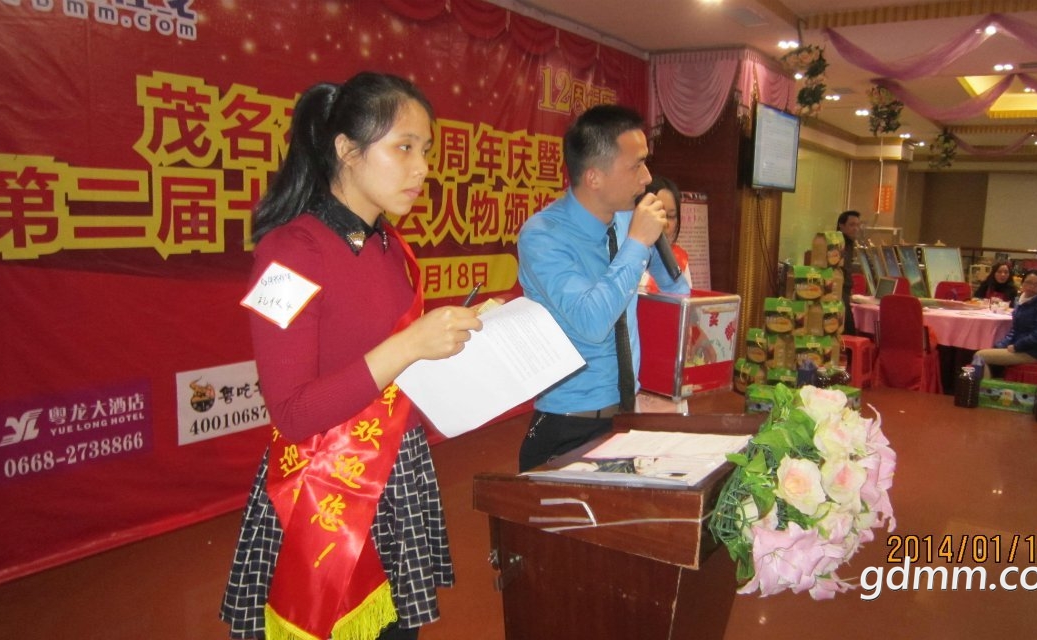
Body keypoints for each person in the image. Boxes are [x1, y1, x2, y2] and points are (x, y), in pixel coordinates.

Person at [221, 73, 482, 640]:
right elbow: (292, 413)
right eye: (404, 148)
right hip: (323, 488)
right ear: (346, 149)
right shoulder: (287, 254)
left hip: (399, 475)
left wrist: (453, 344)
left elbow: (396, 374)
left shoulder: (392, 248)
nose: (422, 168)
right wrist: (408, 345)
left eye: (426, 151)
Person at [516, 104, 689, 472]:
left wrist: (658, 244)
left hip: (627, 417)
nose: (647, 177)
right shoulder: (543, 236)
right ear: (594, 177)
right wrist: (637, 244)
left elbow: (676, 290)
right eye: (636, 166)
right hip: (568, 424)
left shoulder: (629, 220)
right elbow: (592, 322)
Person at [973, 270, 1037, 378]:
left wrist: (1017, 346)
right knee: (988, 350)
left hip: (1031, 352)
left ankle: (980, 387)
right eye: (1028, 282)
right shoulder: (1022, 301)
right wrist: (1001, 345)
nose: (1032, 287)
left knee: (979, 356)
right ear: (1022, 284)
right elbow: (1014, 330)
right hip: (1020, 347)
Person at [638, 174, 692, 293]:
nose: (665, 223)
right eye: (658, 212)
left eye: (671, 216)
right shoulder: (623, 250)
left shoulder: (680, 259)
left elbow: (683, 299)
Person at [837, 210, 861, 335]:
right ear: (841, 225)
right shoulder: (837, 244)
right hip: (838, 292)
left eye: (857, 225)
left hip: (845, 291)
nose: (856, 228)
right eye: (852, 225)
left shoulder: (850, 243)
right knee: (848, 331)